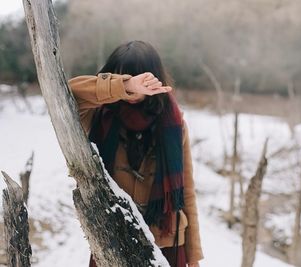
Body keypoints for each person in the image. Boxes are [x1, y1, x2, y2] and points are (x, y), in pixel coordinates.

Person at [68, 41, 203, 267]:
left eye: (139, 77)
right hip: (113, 237)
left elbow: (186, 191)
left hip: (167, 241)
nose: (135, 89)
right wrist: (126, 85)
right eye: (124, 76)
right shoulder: (99, 115)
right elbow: (69, 91)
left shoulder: (174, 123)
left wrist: (193, 257)